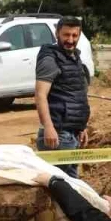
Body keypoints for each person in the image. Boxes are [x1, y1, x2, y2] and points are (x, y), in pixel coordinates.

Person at [34, 16, 90, 178]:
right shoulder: (50, 58)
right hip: (58, 135)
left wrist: (81, 127)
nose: (70, 40)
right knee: (64, 187)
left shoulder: (74, 57)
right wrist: (49, 128)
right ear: (57, 33)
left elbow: (75, 95)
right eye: (66, 35)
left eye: (74, 35)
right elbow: (40, 95)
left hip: (72, 133)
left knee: (70, 186)